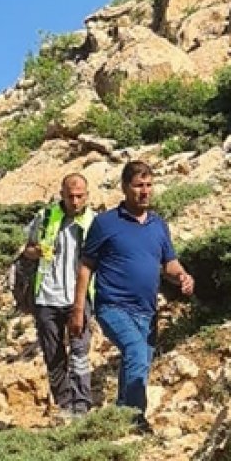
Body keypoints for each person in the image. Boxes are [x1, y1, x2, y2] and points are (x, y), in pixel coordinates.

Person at [71, 160, 194, 431]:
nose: (145, 191)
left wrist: (183, 276)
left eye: (149, 185)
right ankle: (137, 420)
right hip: (112, 306)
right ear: (125, 188)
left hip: (146, 311)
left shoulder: (158, 225)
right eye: (139, 186)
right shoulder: (105, 223)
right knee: (136, 352)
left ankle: (120, 418)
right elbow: (85, 267)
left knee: (137, 362)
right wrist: (78, 309)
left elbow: (168, 263)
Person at [20, 173, 96, 421]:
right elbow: (26, 249)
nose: (75, 201)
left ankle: (81, 406)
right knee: (53, 354)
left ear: (87, 195)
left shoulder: (94, 222)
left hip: (79, 297)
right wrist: (37, 251)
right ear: (61, 194)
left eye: (80, 196)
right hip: (47, 297)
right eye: (70, 196)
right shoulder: (45, 218)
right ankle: (64, 405)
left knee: (79, 352)